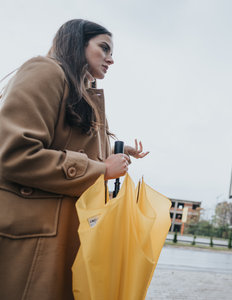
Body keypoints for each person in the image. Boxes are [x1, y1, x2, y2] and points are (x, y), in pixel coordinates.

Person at [0, 19, 148, 299]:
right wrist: (102, 170)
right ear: (77, 44)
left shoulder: (83, 92)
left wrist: (121, 149)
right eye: (104, 48)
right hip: (34, 240)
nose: (111, 59)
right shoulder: (44, 71)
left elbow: (78, 144)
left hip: (64, 236)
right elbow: (15, 153)